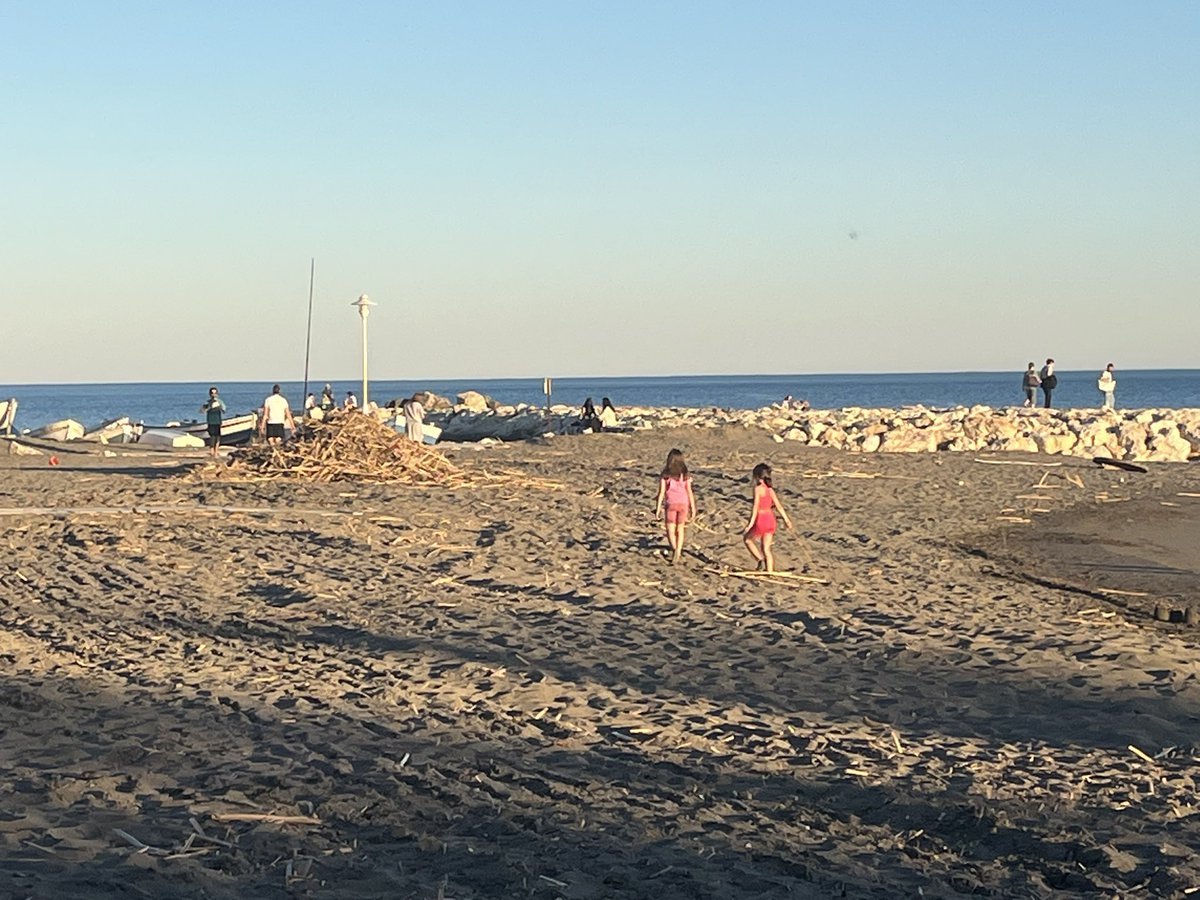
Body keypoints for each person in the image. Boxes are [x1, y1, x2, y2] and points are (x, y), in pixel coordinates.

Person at [743, 462, 794, 573]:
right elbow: (779, 506)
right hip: (771, 519)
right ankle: (770, 571)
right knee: (766, 548)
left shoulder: (758, 489)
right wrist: (787, 520)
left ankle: (760, 560)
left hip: (761, 519)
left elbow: (755, 507)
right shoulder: (770, 489)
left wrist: (750, 524)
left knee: (747, 540)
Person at [654, 448, 697, 565]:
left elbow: (661, 493)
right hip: (684, 504)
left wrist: (658, 508)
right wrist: (693, 508)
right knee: (680, 528)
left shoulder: (665, 476)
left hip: (671, 504)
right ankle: (678, 549)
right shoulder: (685, 475)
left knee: (670, 529)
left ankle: (674, 548)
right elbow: (689, 492)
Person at [200, 386, 226, 458]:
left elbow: (224, 411)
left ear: (217, 394)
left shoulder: (220, 402)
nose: (213, 395)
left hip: (217, 421)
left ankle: (216, 452)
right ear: (210, 394)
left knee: (218, 437)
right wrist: (208, 407)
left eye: (215, 393)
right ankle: (212, 451)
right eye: (212, 393)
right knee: (212, 436)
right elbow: (201, 411)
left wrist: (219, 407)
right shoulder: (207, 402)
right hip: (210, 421)